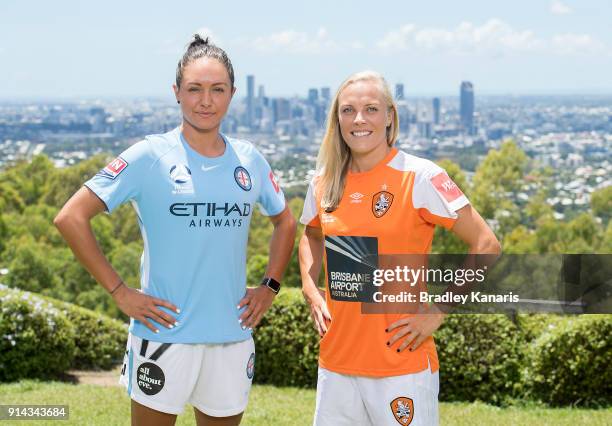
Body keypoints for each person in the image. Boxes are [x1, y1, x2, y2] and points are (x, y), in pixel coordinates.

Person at [54, 34, 296, 426]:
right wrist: (119, 292)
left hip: (231, 336)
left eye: (217, 90)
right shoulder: (150, 155)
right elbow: (70, 217)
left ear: (232, 94)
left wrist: (270, 286)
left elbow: (284, 220)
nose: (206, 100)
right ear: (176, 93)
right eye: (194, 89)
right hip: (162, 335)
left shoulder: (249, 159)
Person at [298, 71, 501, 425]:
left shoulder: (421, 176)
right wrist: (309, 287)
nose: (359, 119)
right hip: (336, 365)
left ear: (390, 116)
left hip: (400, 363)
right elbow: (311, 235)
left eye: (371, 109)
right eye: (348, 110)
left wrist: (438, 311)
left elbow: (487, 244)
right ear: (337, 119)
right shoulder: (323, 181)